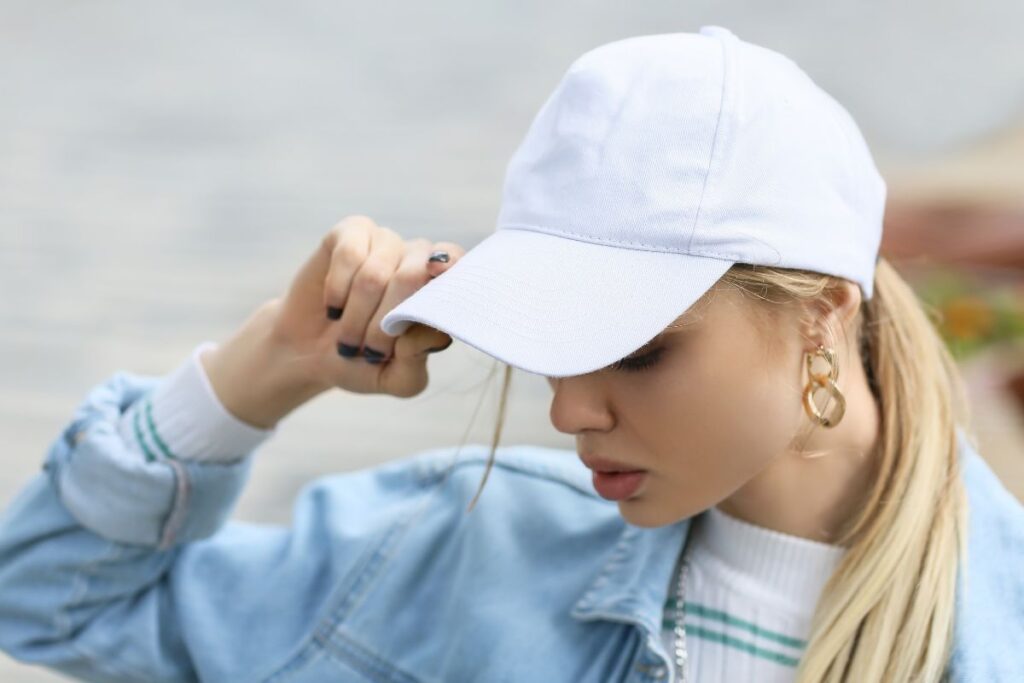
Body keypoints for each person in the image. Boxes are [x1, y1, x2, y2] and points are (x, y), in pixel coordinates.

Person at [0, 24, 1021, 683]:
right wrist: (266, 366)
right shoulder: (465, 549)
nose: (570, 408)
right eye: (550, 341)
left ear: (821, 314)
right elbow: (52, 601)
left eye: (635, 347)